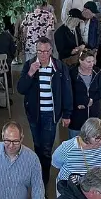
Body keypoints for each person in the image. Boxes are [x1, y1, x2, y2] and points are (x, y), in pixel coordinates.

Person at [17, 37, 73, 190]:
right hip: (34, 113)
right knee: (37, 145)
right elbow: (21, 89)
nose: (42, 55)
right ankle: (38, 172)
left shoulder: (59, 67)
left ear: (51, 51)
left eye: (45, 51)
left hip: (50, 115)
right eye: (39, 51)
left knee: (46, 148)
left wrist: (67, 114)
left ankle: (43, 179)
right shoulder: (30, 65)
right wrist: (30, 73)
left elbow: (67, 91)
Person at [52, 117, 101, 183]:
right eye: (97, 138)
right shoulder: (67, 148)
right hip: (71, 189)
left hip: (98, 187)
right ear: (86, 136)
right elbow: (56, 163)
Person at [67, 54, 101, 138]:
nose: (91, 64)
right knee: (75, 142)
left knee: (92, 140)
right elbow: (68, 92)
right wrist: (82, 102)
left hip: (93, 113)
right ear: (80, 61)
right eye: (88, 62)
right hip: (76, 115)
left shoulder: (97, 73)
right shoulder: (71, 73)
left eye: (92, 61)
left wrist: (92, 100)